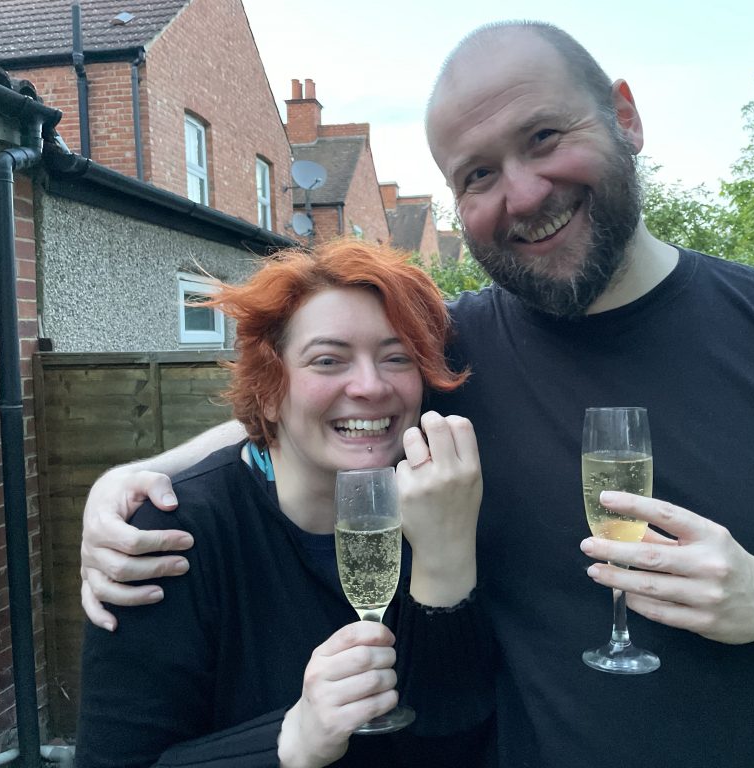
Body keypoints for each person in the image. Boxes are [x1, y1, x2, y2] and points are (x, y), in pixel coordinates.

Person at [79, 21, 754, 768]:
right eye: (479, 175)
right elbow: (331, 409)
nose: (524, 194)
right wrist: (135, 478)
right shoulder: (456, 357)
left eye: (543, 139)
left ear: (625, 115)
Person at [75, 240, 493, 767]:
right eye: (327, 360)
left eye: (397, 358)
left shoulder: (445, 503)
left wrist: (444, 561)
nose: (370, 385)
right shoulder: (172, 537)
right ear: (270, 390)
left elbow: (457, 743)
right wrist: (288, 742)